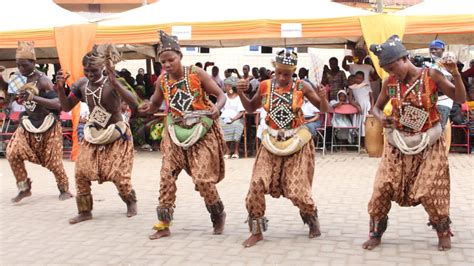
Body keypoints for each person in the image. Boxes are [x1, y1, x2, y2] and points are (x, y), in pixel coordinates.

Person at [363, 35, 466, 251]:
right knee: (382, 187)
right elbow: (377, 108)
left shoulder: (432, 76)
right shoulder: (389, 82)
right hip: (397, 143)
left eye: (393, 67)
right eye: (388, 70)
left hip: (428, 143)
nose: (392, 73)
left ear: (405, 58)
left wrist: (455, 73)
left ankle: (443, 233)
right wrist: (382, 118)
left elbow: (460, 97)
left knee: (431, 189)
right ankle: (375, 233)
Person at [236, 49, 329, 247]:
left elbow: (323, 109)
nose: (282, 77)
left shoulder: (302, 86)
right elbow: (251, 108)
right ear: (274, 69)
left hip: (296, 142)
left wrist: (323, 97)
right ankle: (256, 231)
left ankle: (311, 218)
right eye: (279, 72)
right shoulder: (264, 86)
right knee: (257, 183)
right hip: (270, 141)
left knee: (297, 190)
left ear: (293, 71)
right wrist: (241, 93)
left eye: (286, 73)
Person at [140, 31, 227, 239]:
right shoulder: (163, 81)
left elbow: (221, 95)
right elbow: (154, 104)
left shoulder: (196, 73)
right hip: (174, 133)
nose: (168, 64)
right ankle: (163, 224)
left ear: (180, 56)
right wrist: (147, 107)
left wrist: (217, 108)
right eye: (163, 62)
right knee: (166, 176)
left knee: (202, 179)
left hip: (201, 131)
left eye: (171, 59)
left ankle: (217, 214)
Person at [54, 44, 139, 224]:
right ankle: (85, 211)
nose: (90, 74)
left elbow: (135, 104)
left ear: (102, 67)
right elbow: (66, 106)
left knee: (118, 174)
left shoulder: (113, 83)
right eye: (86, 70)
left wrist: (116, 83)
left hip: (117, 134)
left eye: (94, 70)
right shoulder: (81, 85)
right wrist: (61, 88)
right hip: (94, 132)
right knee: (81, 172)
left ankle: (131, 202)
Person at [4, 41, 73, 203]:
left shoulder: (43, 81)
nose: (21, 69)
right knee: (12, 153)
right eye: (18, 65)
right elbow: (10, 94)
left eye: (24, 65)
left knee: (54, 162)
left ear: (33, 63)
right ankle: (24, 188)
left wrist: (33, 97)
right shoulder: (20, 79)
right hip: (28, 124)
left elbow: (58, 105)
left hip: (48, 125)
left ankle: (64, 189)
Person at [426, 39, 453, 130]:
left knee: (438, 129)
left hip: (443, 100)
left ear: (442, 50)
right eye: (431, 49)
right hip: (430, 101)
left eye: (436, 49)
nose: (433, 51)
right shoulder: (428, 64)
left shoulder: (448, 63)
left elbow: (446, 81)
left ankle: (441, 143)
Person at [220, 79, 245, 159]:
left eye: (226, 85)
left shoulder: (239, 97)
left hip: (236, 118)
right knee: (220, 125)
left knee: (237, 126)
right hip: (224, 118)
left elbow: (241, 112)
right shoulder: (223, 96)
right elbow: (219, 109)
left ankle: (236, 151)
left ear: (230, 87)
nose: (224, 87)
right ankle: (227, 151)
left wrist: (233, 119)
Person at [348, 71, 374, 145]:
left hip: (367, 107)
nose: (358, 80)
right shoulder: (351, 87)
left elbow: (372, 98)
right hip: (358, 108)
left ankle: (366, 143)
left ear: (363, 79)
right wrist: (357, 106)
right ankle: (359, 143)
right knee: (359, 124)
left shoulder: (366, 86)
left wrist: (372, 108)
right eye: (356, 78)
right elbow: (350, 100)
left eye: (360, 78)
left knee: (366, 124)